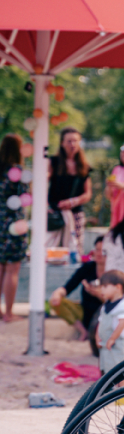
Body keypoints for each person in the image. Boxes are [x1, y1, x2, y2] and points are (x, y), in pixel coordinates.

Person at [49, 236, 106, 339]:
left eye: (103, 251)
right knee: (55, 301)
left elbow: (117, 302)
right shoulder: (87, 268)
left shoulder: (114, 272)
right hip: (85, 312)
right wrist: (57, 294)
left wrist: (98, 294)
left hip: (105, 314)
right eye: (97, 249)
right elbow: (68, 287)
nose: (99, 253)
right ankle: (82, 330)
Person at [47, 128, 93, 257]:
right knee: (51, 248)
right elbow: (42, 185)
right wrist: (47, 206)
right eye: (69, 141)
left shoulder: (83, 166)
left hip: (75, 214)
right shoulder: (53, 162)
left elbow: (87, 193)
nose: (72, 144)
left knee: (75, 249)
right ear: (62, 143)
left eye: (75, 141)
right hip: (54, 213)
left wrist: (73, 201)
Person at [0, 134, 28, 322]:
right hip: (13, 223)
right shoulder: (17, 171)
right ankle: (8, 313)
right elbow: (25, 198)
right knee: (12, 269)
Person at [96, 270, 124, 374]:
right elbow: (101, 321)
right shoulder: (106, 305)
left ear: (118, 287)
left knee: (119, 369)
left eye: (105, 286)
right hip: (105, 344)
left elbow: (122, 323)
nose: (101, 290)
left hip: (117, 344)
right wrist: (97, 336)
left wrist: (113, 338)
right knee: (106, 367)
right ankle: (108, 389)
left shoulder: (123, 305)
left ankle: (122, 389)